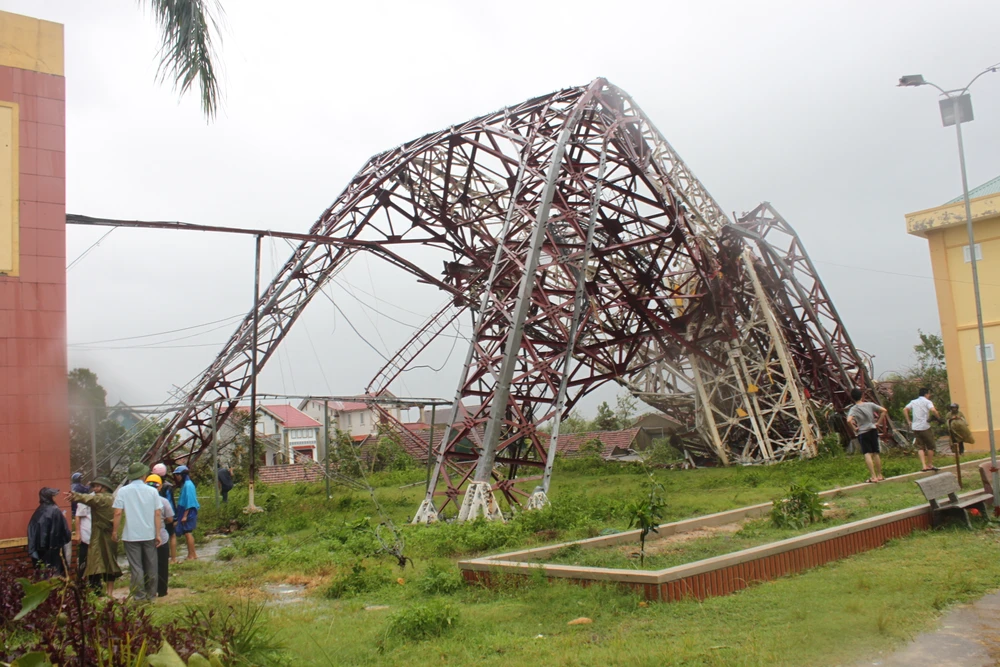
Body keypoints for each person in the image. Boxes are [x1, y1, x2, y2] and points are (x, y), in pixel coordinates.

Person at [112, 463, 163, 602]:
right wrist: (158, 534)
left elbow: (117, 512)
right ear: (143, 475)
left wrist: (115, 531)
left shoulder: (123, 491)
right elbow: (157, 513)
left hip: (130, 535)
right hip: (149, 534)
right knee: (152, 565)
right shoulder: (152, 491)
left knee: (136, 567)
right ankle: (151, 595)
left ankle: (139, 596)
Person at [67, 477, 122, 596]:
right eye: (94, 486)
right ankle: (109, 593)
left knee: (95, 561)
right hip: (109, 534)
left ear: (105, 487)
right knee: (109, 562)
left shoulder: (102, 498)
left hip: (101, 534)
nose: (95, 488)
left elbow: (88, 498)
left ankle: (94, 591)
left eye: (98, 486)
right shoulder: (113, 498)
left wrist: (75, 495)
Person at [27, 488, 72, 576]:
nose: (55, 497)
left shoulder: (38, 511)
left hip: (40, 550)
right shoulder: (55, 510)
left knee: (44, 574)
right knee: (56, 574)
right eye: (53, 496)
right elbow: (65, 532)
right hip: (54, 550)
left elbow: (32, 532)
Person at [846, 388, 887, 483]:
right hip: (873, 430)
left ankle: (873, 476)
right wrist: (878, 423)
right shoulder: (870, 405)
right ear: (862, 396)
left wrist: (854, 428)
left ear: (853, 398)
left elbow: (848, 420)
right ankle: (880, 475)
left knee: (867, 453)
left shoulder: (854, 409)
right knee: (876, 453)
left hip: (863, 432)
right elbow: (884, 410)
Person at [145, 474, 175, 597]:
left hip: (145, 536)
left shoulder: (142, 501)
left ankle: (148, 590)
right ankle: (162, 590)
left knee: (146, 564)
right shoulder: (163, 501)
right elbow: (170, 519)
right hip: (161, 537)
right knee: (162, 564)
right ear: (160, 486)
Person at [904, 388, 941, 472]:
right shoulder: (927, 402)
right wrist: (938, 418)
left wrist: (909, 421)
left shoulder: (913, 401)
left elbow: (905, 409)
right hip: (925, 426)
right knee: (930, 446)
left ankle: (924, 466)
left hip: (915, 427)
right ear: (926, 394)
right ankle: (930, 464)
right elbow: (933, 410)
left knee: (920, 447)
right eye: (929, 394)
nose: (929, 395)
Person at [153, 463, 178, 563]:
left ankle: (161, 558)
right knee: (171, 535)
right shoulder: (168, 486)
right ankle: (173, 558)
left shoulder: (151, 485)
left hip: (155, 516)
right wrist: (174, 518)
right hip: (166, 514)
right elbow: (170, 502)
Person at [173, 465, 199, 561]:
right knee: (186, 533)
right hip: (183, 510)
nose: (177, 477)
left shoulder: (188, 485)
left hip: (187, 511)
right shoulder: (185, 485)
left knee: (188, 533)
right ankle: (192, 554)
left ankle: (192, 555)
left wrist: (185, 515)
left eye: (178, 475)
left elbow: (190, 501)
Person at [74, 490, 92, 582]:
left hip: (96, 537)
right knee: (83, 561)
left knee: (95, 562)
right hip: (86, 536)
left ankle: (95, 584)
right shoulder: (86, 500)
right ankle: (80, 584)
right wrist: (78, 534)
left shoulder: (101, 499)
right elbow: (78, 516)